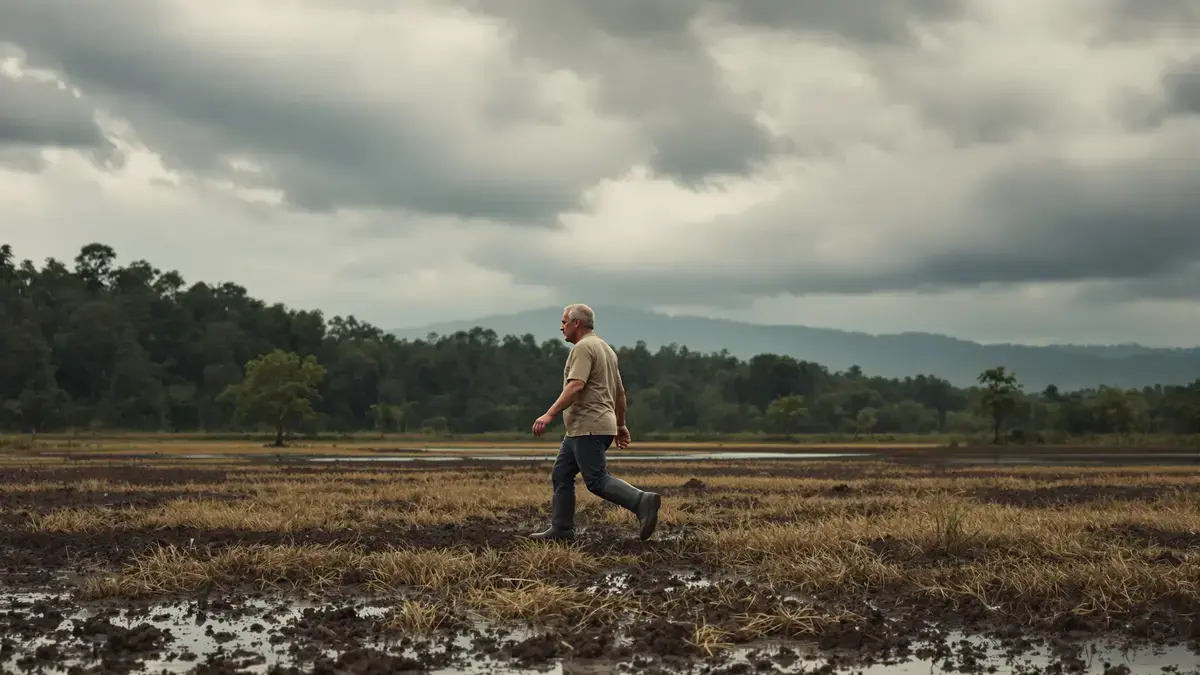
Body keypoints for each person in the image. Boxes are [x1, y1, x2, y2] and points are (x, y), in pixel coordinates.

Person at [528, 303, 661, 541]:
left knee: (596, 479)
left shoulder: (583, 348)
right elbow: (620, 392)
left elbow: (576, 385)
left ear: (576, 323)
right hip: (587, 427)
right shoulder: (606, 349)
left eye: (564, 322)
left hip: (588, 425)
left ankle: (642, 501)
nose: (561, 328)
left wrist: (549, 414)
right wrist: (620, 425)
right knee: (561, 474)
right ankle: (562, 529)